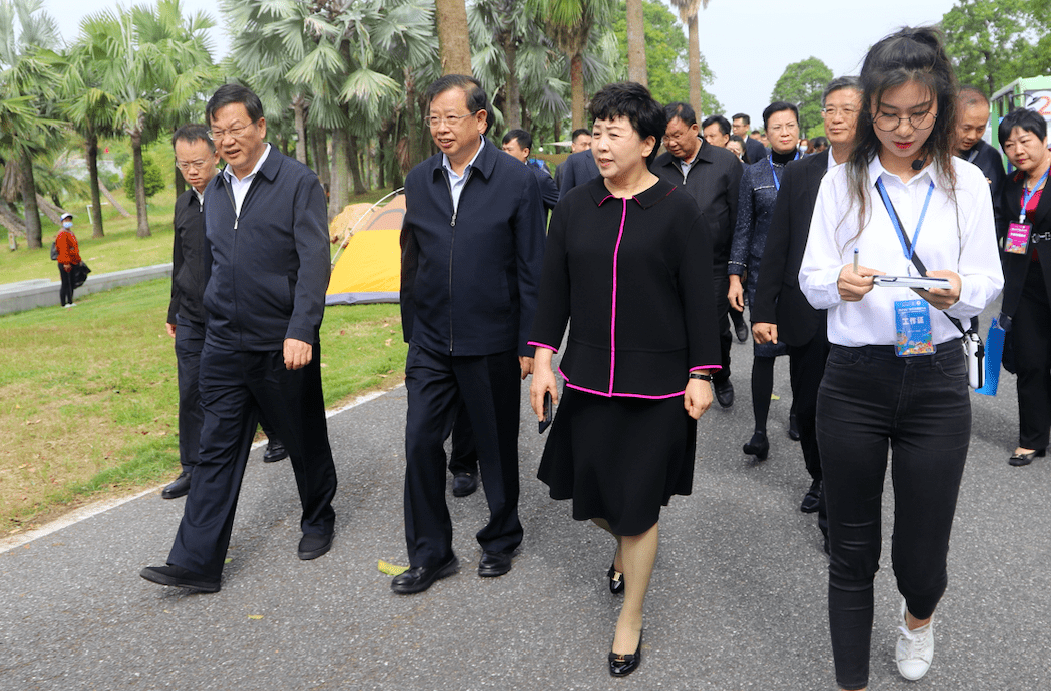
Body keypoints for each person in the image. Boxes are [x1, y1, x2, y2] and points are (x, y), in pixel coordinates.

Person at [798, 27, 1003, 690]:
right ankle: (850, 678)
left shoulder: (965, 183)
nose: (902, 127)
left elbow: (986, 280)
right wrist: (838, 283)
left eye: (918, 113)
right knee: (850, 548)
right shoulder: (842, 181)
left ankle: (917, 618)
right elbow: (811, 275)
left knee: (921, 552)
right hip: (853, 380)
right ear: (869, 110)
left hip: (934, 384)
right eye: (888, 114)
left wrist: (959, 290)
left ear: (939, 107)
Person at [529, 81, 719, 678]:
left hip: (658, 386)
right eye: (598, 132)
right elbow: (552, 288)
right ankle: (622, 545)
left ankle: (630, 618)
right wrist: (542, 360)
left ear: (647, 142)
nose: (602, 144)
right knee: (589, 498)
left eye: (615, 134)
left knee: (637, 508)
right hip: (587, 379)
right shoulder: (577, 204)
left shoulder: (676, 208)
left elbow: (699, 298)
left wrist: (703, 372)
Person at [141, 84, 339, 593]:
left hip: (281, 342)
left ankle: (318, 516)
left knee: (302, 436)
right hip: (223, 343)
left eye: (235, 129)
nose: (226, 141)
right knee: (215, 449)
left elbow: (316, 262)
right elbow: (210, 263)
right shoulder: (218, 189)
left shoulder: (297, 182)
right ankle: (197, 562)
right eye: (218, 132)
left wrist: (301, 330)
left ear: (260, 127)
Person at [394, 74, 546, 594]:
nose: (440, 127)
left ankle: (501, 537)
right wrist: (412, 326)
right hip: (432, 341)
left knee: (497, 447)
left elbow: (532, 268)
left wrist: (531, 344)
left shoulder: (516, 180)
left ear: (480, 120)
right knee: (418, 443)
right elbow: (410, 257)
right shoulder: (419, 180)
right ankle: (431, 553)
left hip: (493, 341)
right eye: (433, 117)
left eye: (451, 117)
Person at [752, 77, 862, 540]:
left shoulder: (880, 169)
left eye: (848, 110)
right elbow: (778, 245)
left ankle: (840, 507)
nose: (836, 118)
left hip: (862, 313)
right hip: (805, 311)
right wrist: (764, 310)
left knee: (854, 413)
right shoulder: (801, 173)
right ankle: (819, 476)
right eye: (829, 110)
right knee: (810, 404)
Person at [160, 125, 289, 501]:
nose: (192, 171)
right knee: (191, 389)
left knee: (255, 382)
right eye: (184, 165)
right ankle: (192, 467)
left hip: (231, 312)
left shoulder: (230, 197)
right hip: (191, 314)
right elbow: (179, 258)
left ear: (216, 155)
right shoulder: (183, 204)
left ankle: (278, 432)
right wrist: (174, 308)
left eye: (198, 162)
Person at [653, 102, 742, 408]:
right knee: (673, 324)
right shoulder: (658, 167)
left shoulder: (725, 163)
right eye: (665, 137)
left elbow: (738, 220)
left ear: (694, 129)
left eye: (676, 135)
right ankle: (681, 378)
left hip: (714, 265)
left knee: (715, 328)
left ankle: (721, 374)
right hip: (670, 266)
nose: (671, 142)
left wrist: (736, 271)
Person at [728, 101, 801, 460]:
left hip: (804, 277)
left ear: (799, 129)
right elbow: (743, 228)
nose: (784, 132)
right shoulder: (754, 174)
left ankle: (798, 411)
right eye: (777, 127)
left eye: (790, 125)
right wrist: (735, 276)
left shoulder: (816, 170)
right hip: (761, 275)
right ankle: (759, 430)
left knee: (804, 352)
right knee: (764, 352)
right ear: (765, 133)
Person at [996, 108, 1051, 467]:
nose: (1017, 149)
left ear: (1043, 140)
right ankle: (1032, 438)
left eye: (1024, 140)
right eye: (1009, 144)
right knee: (1031, 362)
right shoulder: (1011, 184)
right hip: (1026, 282)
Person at [956, 86, 1006, 223]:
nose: (972, 136)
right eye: (966, 128)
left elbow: (999, 209)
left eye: (980, 129)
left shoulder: (991, 157)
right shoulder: (932, 155)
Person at [502, 128, 559, 211]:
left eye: (509, 150)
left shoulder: (540, 179)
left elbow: (561, 208)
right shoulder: (499, 175)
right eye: (503, 149)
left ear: (525, 152)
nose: (505, 154)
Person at [558, 130, 600, 198]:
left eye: (590, 145)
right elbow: (562, 194)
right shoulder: (561, 168)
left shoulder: (597, 162)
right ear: (573, 147)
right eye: (583, 145)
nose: (587, 148)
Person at [54, 213, 80, 308]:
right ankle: (63, 303)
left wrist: (78, 260)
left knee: (71, 282)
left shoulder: (71, 233)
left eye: (69, 220)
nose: (68, 222)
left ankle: (70, 301)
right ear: (62, 222)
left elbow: (74, 248)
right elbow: (63, 249)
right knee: (65, 282)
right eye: (66, 220)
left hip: (72, 261)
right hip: (65, 262)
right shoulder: (62, 234)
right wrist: (66, 262)